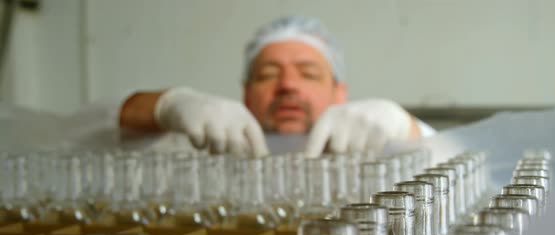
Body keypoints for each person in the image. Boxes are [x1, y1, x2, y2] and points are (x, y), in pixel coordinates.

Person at [118, 16, 435, 158]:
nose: (287, 85)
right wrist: (170, 104)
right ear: (245, 92)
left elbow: (475, 172)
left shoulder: (381, 151)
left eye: (308, 74)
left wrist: (408, 129)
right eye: (268, 74)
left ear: (340, 92)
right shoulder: (202, 148)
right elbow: (94, 126)